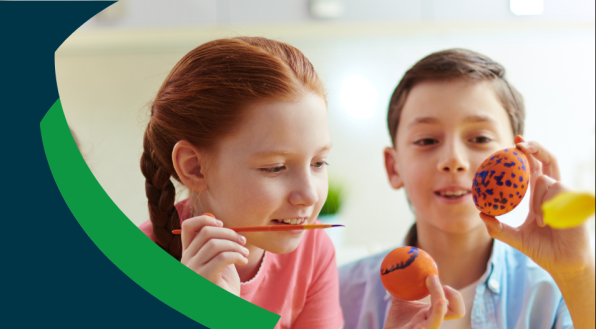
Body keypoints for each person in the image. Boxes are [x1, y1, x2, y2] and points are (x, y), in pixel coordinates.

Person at [339, 49, 595, 329]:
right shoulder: (337, 292)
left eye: (480, 138)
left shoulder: (558, 292)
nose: (453, 160)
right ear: (393, 167)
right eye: (426, 141)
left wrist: (576, 275)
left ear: (522, 160)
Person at [135, 36, 342, 328]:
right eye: (275, 168)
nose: (308, 195)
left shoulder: (313, 247)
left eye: (318, 163)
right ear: (194, 168)